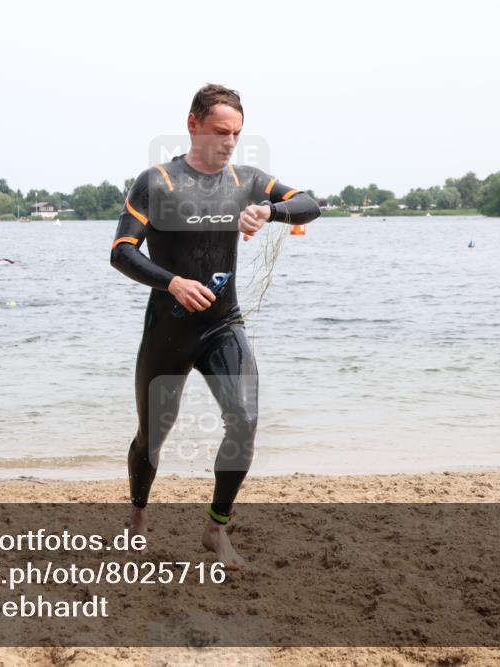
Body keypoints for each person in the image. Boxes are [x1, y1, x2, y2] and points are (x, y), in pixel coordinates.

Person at [110, 84, 320, 569]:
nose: (229, 141)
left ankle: (216, 529)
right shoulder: (156, 181)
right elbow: (121, 252)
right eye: (220, 131)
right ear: (193, 124)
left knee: (244, 420)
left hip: (223, 324)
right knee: (152, 436)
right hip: (168, 329)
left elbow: (310, 203)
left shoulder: (248, 180)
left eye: (237, 133)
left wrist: (270, 211)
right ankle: (137, 518)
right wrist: (173, 283)